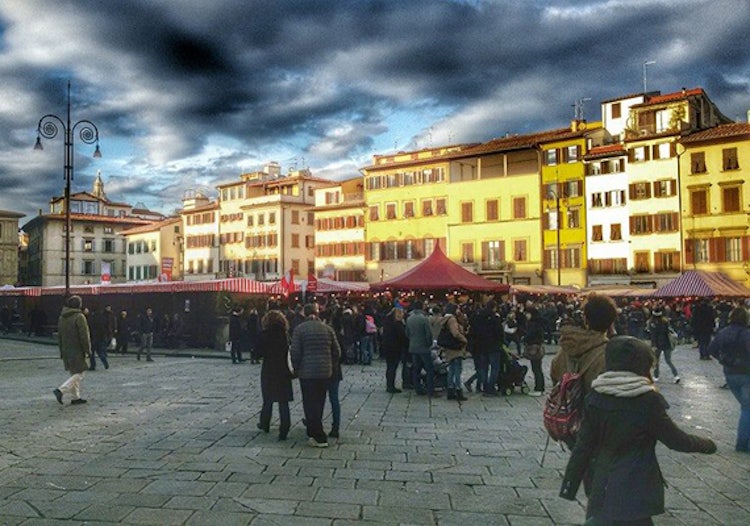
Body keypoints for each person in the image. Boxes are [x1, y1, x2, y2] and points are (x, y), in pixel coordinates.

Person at [560, 336, 717, 525]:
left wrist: (569, 485)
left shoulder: (596, 396)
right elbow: (675, 440)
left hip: (603, 483)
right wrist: (707, 445)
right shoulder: (647, 400)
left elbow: (583, 447)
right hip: (637, 485)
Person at [290, 302, 341, 448]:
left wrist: (296, 368)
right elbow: (337, 351)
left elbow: (295, 352)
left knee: (309, 402)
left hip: (307, 373)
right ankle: (314, 431)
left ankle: (317, 435)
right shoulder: (327, 329)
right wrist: (331, 364)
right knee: (320, 401)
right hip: (325, 372)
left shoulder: (299, 329)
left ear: (305, 314)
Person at [551, 294, 618, 397]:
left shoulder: (568, 345)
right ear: (611, 322)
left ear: (585, 320)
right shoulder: (610, 354)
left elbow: (555, 374)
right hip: (594, 411)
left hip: (571, 411)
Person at [708, 307, 750, 452]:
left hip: (730, 374)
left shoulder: (723, 332)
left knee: (746, 407)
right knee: (747, 408)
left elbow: (711, 349)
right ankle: (742, 443)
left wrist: (723, 360)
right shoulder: (746, 334)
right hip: (746, 373)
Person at [257, 310, 293, 441]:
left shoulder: (264, 335)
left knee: (268, 399)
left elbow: (257, 352)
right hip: (283, 370)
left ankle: (265, 423)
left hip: (269, 370)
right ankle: (284, 428)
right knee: (283, 402)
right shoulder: (285, 335)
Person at [53, 295, 92, 405]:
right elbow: (84, 335)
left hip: (66, 348)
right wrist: (88, 350)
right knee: (80, 373)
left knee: (74, 373)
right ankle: (61, 390)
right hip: (77, 349)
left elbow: (60, 336)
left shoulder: (62, 317)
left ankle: (76, 397)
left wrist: (61, 350)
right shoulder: (79, 317)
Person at [468, 300, 504, 397]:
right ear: (494, 307)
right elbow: (500, 333)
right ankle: (490, 388)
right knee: (494, 368)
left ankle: (484, 387)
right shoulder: (495, 318)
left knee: (484, 368)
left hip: (481, 346)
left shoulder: (478, 317)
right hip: (494, 346)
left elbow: (474, 330)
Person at [406, 301, 437, 397]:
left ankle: (417, 388)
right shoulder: (424, 319)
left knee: (416, 369)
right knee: (429, 369)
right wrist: (429, 344)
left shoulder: (409, 318)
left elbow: (407, 333)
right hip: (423, 347)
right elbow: (428, 334)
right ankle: (430, 390)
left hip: (413, 347)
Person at [439, 303, 469, 401]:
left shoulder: (445, 319)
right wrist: (464, 339)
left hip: (449, 348)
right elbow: (455, 333)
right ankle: (458, 390)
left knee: (451, 370)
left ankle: (450, 390)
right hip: (456, 348)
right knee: (457, 370)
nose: (459, 310)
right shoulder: (452, 320)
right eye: (457, 308)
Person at [649, 307, 680, 384]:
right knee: (668, 360)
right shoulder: (665, 321)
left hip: (658, 344)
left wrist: (653, 345)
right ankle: (676, 375)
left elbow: (653, 335)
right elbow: (668, 332)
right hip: (667, 343)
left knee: (656, 361)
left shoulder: (652, 323)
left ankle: (656, 376)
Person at [382, 306, 409, 393]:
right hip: (395, 348)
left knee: (389, 366)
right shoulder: (398, 324)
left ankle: (389, 384)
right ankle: (391, 386)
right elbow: (402, 336)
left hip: (387, 347)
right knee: (393, 367)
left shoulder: (387, 322)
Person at [523, 307, 546, 396]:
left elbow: (531, 334)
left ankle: (539, 388)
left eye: (527, 313)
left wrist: (525, 338)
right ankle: (540, 387)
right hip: (538, 346)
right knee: (537, 368)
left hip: (534, 347)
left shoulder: (534, 324)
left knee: (536, 368)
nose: (526, 315)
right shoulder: (538, 322)